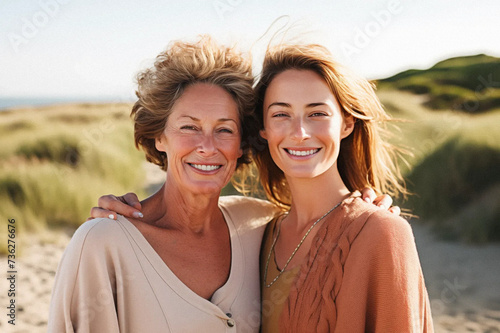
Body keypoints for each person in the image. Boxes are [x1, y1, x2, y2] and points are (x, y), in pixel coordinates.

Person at [48, 36, 393, 333]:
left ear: (242, 143)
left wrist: (366, 212)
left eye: (224, 129)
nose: (208, 146)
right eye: (189, 127)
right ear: (158, 137)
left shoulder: (257, 225)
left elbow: (327, 222)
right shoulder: (103, 243)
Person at [254, 43, 433, 332]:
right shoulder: (259, 235)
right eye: (280, 114)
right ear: (264, 130)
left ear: (346, 124)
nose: (299, 133)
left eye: (317, 114)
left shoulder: (382, 232)